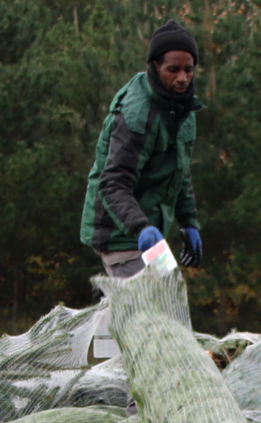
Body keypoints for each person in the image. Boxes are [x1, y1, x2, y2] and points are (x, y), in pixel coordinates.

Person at [80, 19, 205, 279]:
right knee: (151, 310)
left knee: (169, 294)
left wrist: (188, 222)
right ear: (155, 66)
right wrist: (141, 229)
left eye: (188, 70)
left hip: (149, 234)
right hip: (121, 234)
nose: (182, 78)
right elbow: (112, 183)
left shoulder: (181, 108)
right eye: (173, 69)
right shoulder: (137, 115)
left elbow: (179, 171)